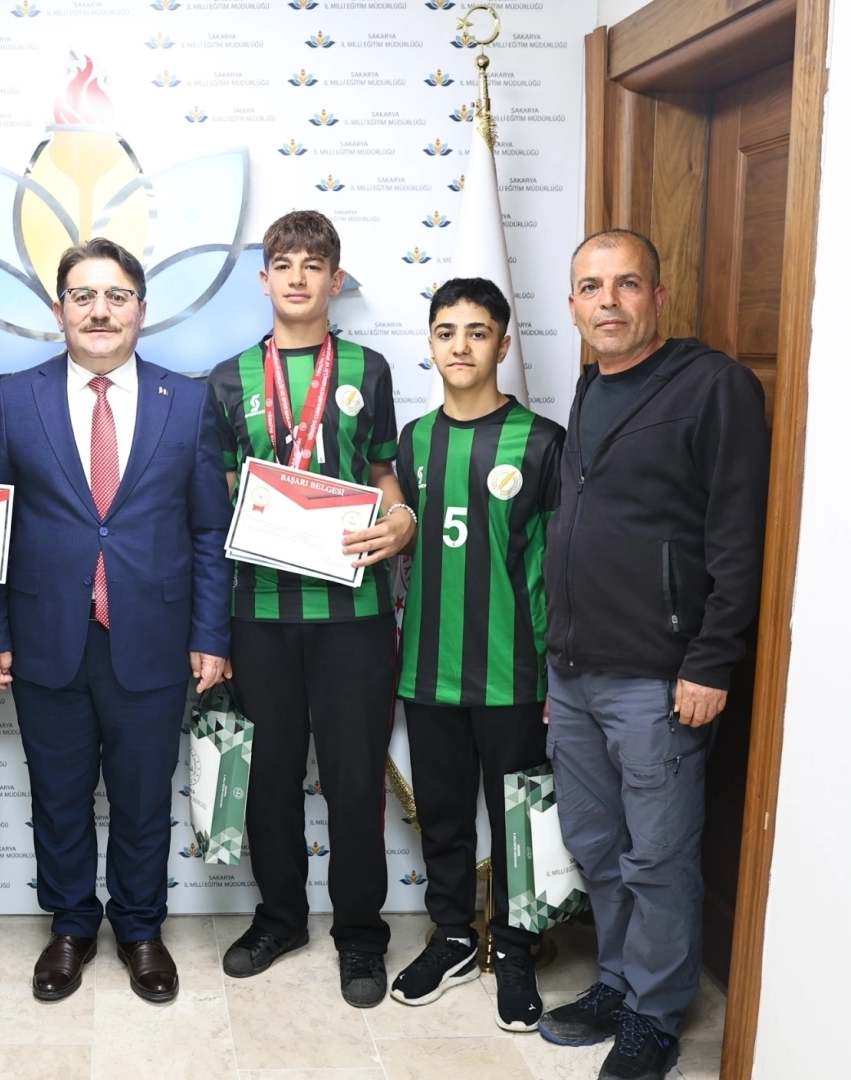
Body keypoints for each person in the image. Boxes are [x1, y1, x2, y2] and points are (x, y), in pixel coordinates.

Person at [0, 237, 231, 1005]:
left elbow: (208, 531)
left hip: (153, 638)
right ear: (60, 312)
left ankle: (141, 929)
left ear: (141, 310)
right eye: (83, 295)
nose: (100, 310)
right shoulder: (15, 398)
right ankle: (72, 926)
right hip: (46, 639)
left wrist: (210, 634)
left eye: (116, 295)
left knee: (144, 798)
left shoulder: (187, 401)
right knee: (58, 797)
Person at [538, 230, 769, 1080]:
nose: (608, 301)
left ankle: (655, 1015)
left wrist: (711, 660)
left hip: (660, 680)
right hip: (575, 671)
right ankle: (618, 982)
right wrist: (558, 658)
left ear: (658, 297)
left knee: (659, 858)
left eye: (627, 284)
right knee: (597, 846)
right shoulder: (591, 384)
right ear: (572, 305)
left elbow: (738, 536)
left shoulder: (714, 386)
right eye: (591, 286)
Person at [206, 209, 415, 1007]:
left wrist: (402, 518)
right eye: (284, 264)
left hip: (353, 615)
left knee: (355, 782)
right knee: (269, 780)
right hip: (259, 612)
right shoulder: (228, 378)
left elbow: (385, 476)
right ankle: (280, 918)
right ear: (264, 280)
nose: (298, 277)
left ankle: (360, 935)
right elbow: (220, 493)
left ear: (335, 279)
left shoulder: (368, 368)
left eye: (313, 264)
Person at [388, 277, 564, 1032]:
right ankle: (454, 936)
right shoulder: (413, 441)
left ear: (503, 343)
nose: (460, 346)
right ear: (430, 343)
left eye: (477, 332)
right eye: (445, 332)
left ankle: (516, 948)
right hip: (428, 668)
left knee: (518, 818)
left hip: (514, 672)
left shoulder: (543, 441)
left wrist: (555, 670)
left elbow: (555, 566)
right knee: (445, 816)